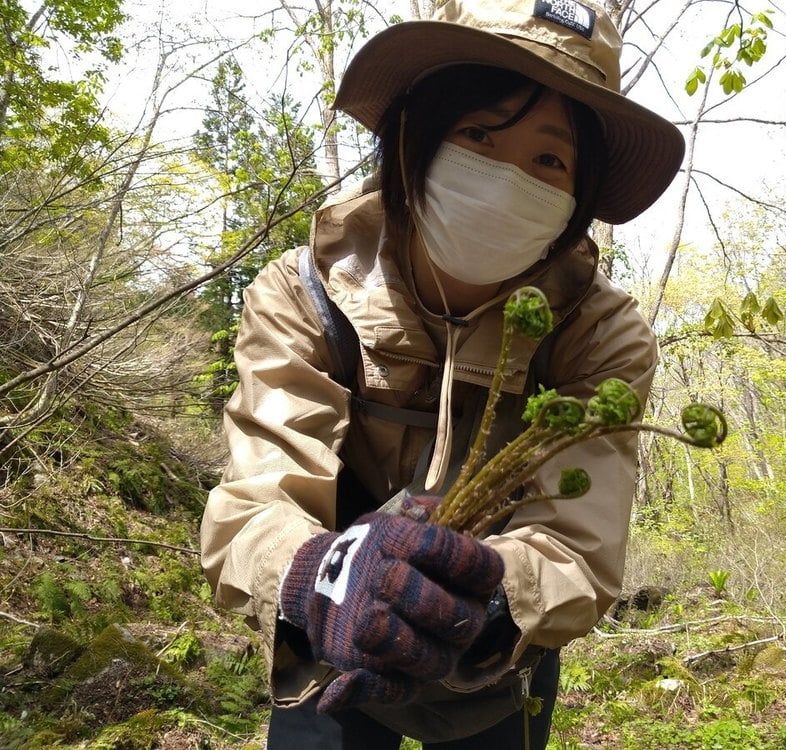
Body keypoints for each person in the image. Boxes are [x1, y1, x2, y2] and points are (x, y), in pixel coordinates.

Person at [199, 0, 684, 747]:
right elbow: (260, 493)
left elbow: (577, 541)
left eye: (548, 160)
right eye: (479, 133)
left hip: (496, 653)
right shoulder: (304, 293)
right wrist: (314, 579)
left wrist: (486, 599)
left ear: (576, 200)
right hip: (338, 640)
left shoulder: (597, 336)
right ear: (411, 140)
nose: (505, 176)